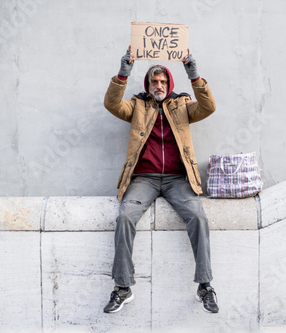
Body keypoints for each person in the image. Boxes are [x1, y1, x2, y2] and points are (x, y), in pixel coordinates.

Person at [102, 45, 218, 314]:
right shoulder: (137, 105)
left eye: (163, 81)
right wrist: (123, 72)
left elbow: (208, 107)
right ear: (148, 83)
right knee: (125, 217)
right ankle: (122, 287)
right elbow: (111, 104)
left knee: (198, 217)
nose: (159, 84)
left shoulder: (183, 105)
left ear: (170, 83)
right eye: (154, 81)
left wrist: (194, 75)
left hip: (179, 179)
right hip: (145, 179)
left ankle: (205, 285)